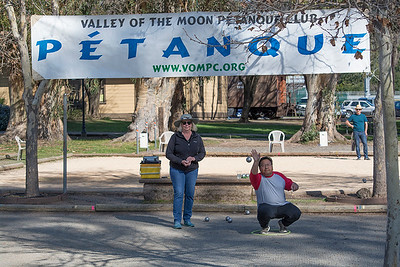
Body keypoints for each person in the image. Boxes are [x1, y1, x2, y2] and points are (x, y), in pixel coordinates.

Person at [166, 114, 206, 229]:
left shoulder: (197, 137)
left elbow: (202, 153)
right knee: (178, 193)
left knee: (190, 194)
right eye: (184, 123)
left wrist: (193, 158)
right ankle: (177, 220)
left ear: (192, 124)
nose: (187, 125)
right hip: (177, 169)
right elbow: (169, 154)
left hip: (192, 169)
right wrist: (180, 161)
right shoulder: (175, 137)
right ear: (181, 125)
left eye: (189, 123)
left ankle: (187, 218)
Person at [249, 149, 301, 234]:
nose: (266, 167)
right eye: (262, 165)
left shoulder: (279, 176)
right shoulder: (258, 178)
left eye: (268, 165)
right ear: (259, 168)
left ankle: (283, 224)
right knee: (264, 211)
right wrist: (255, 162)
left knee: (296, 212)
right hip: (267, 206)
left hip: (282, 205)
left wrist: (294, 185)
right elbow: (253, 174)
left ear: (272, 166)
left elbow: (289, 184)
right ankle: (265, 226)